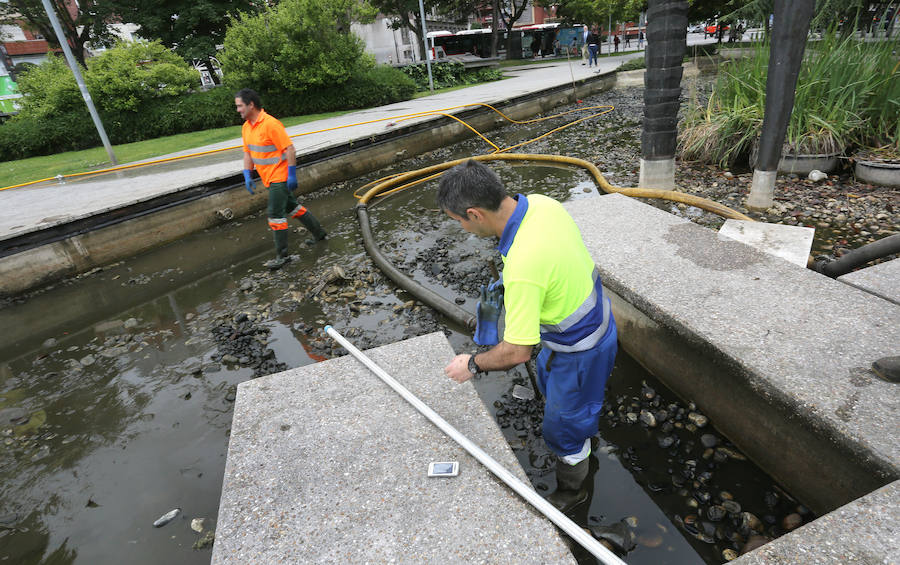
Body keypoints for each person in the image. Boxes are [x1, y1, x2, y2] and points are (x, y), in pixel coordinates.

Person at [439, 160, 618, 514]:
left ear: (474, 213)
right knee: (554, 389)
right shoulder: (541, 204)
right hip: (593, 322)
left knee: (562, 431)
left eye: (458, 220)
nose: (460, 227)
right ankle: (583, 429)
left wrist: (472, 364)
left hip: (582, 351)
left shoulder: (524, 266)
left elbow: (518, 352)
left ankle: (574, 492)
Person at [235, 88, 327, 270]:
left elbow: (290, 149)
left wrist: (291, 174)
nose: (238, 110)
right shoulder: (246, 127)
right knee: (294, 208)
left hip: (280, 177)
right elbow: (248, 154)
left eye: (240, 106)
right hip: (268, 178)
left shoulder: (271, 124)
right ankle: (320, 234)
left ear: (251, 105)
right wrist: (247, 175)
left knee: (275, 215)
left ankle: (282, 256)